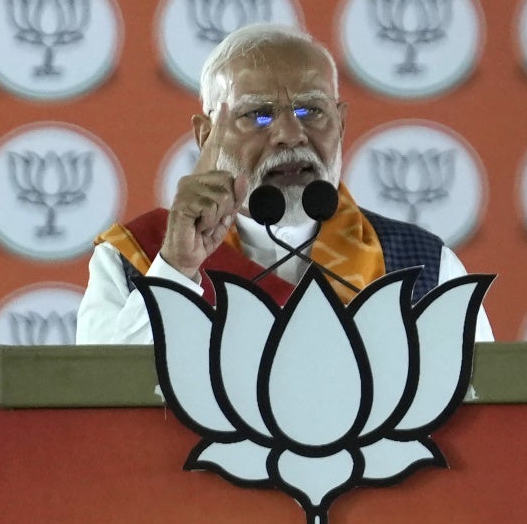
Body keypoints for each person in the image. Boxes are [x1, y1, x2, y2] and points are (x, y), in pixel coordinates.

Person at [76, 24, 494, 344]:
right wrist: (177, 271)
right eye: (258, 114)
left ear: (341, 123)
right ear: (205, 135)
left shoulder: (425, 266)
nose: (290, 134)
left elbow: (481, 417)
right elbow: (102, 412)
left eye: (311, 110)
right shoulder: (135, 256)